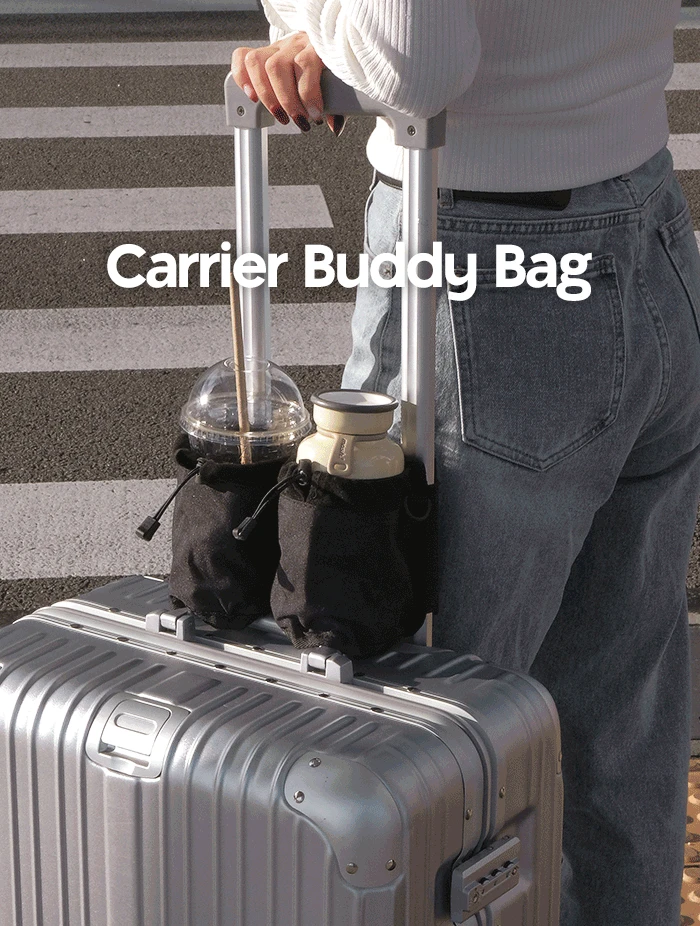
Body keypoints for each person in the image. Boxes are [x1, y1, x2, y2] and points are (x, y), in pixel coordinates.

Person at [231, 2, 700, 923]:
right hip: (648, 224)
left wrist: (316, 24)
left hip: (484, 263)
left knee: (414, 734)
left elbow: (417, 58)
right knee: (617, 729)